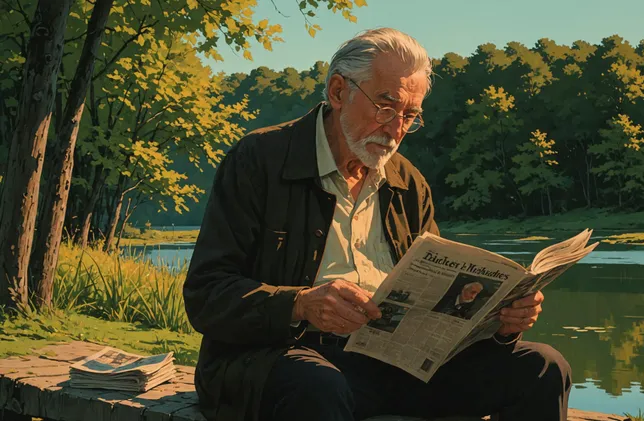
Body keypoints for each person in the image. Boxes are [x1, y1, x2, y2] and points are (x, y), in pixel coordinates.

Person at [183, 27, 571, 421]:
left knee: (542, 366)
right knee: (318, 386)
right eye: (386, 107)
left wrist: (503, 323)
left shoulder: (408, 183)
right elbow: (206, 295)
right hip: (281, 357)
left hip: (395, 362)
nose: (396, 128)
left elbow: (439, 306)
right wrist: (300, 304)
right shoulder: (258, 160)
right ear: (338, 92)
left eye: (410, 115)